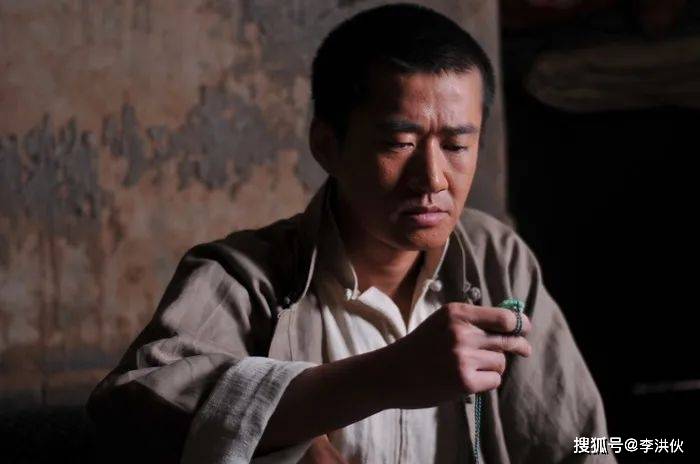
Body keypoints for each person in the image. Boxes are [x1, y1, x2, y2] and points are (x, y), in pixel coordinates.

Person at [87, 3, 613, 463]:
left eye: (456, 146)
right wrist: (373, 382)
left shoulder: (497, 259)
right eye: (400, 143)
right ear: (327, 145)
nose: (433, 179)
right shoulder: (246, 277)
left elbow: (580, 444)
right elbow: (127, 415)